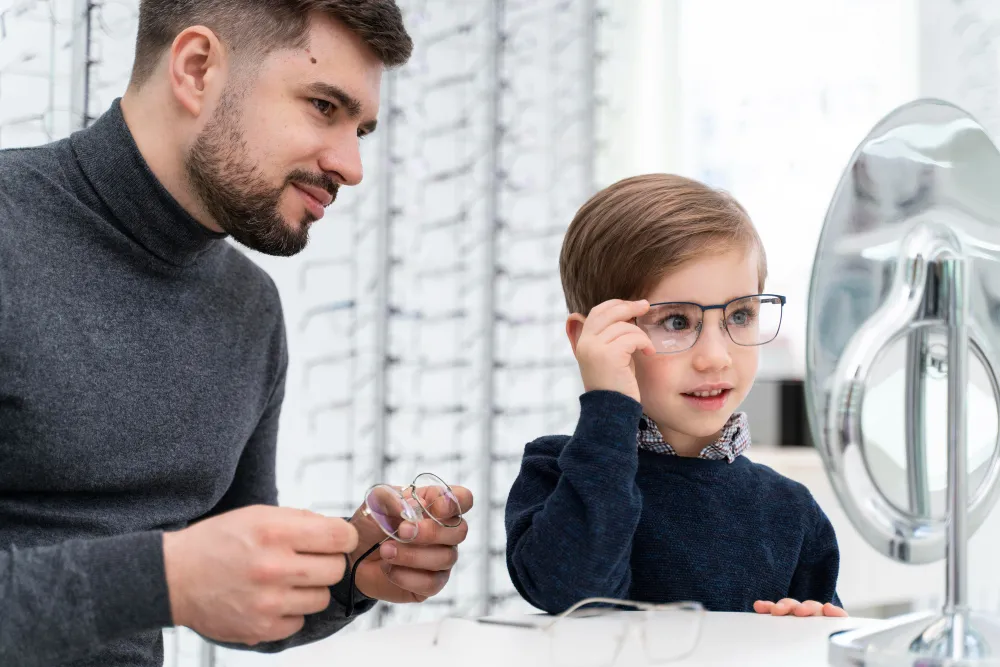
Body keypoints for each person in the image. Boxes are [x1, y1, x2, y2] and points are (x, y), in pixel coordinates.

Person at [0, 2, 472, 666]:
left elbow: (223, 590)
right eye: (322, 107)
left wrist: (352, 569)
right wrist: (164, 577)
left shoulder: (249, 310)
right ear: (197, 69)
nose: (351, 165)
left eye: (360, 129)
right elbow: (176, 577)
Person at [504, 174, 845, 618]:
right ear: (589, 339)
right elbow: (574, 594)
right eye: (677, 322)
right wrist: (609, 407)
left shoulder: (790, 509)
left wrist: (809, 635)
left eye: (740, 314)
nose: (716, 357)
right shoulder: (555, 474)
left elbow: (822, 642)